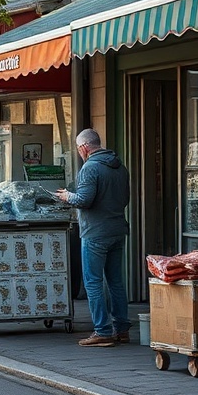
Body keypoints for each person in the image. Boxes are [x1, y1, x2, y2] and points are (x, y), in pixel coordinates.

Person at [55, 129, 130, 347]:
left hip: (95, 232)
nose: (80, 153)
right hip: (117, 229)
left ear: (84, 147)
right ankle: (122, 328)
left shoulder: (90, 168)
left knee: (93, 282)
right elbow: (124, 198)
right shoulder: (120, 166)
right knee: (115, 281)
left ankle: (102, 331)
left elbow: (84, 200)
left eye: (79, 149)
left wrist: (67, 196)